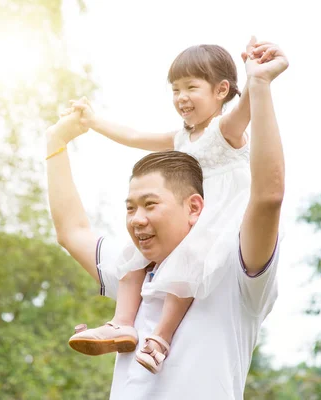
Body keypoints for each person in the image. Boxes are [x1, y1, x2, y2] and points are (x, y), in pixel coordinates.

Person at [45, 39, 288, 398]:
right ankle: (121, 324)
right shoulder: (145, 263)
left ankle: (160, 337)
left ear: (221, 90)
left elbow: (268, 196)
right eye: (176, 89)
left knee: (191, 266)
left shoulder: (232, 270)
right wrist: (62, 138)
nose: (138, 218)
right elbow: (72, 231)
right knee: (131, 261)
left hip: (216, 229)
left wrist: (260, 81)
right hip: (175, 249)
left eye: (191, 87)